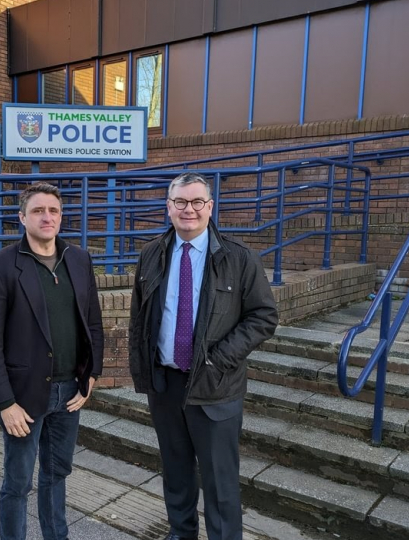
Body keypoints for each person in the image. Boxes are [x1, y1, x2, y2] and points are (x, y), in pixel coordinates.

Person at [128, 172, 278, 540]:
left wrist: (220, 359)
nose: (188, 209)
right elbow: (139, 318)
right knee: (176, 471)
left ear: (210, 208)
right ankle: (181, 533)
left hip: (215, 386)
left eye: (197, 202)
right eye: (180, 202)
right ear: (168, 207)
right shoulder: (151, 254)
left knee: (220, 481)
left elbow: (263, 317)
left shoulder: (239, 259)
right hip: (165, 384)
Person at [0, 182, 104, 540]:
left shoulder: (79, 259)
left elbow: (92, 320)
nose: (47, 217)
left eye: (54, 211)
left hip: (70, 392)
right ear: (22, 217)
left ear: (61, 217)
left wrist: (92, 372)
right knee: (17, 483)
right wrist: (5, 402)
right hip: (24, 397)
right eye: (38, 211)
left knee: (56, 475)